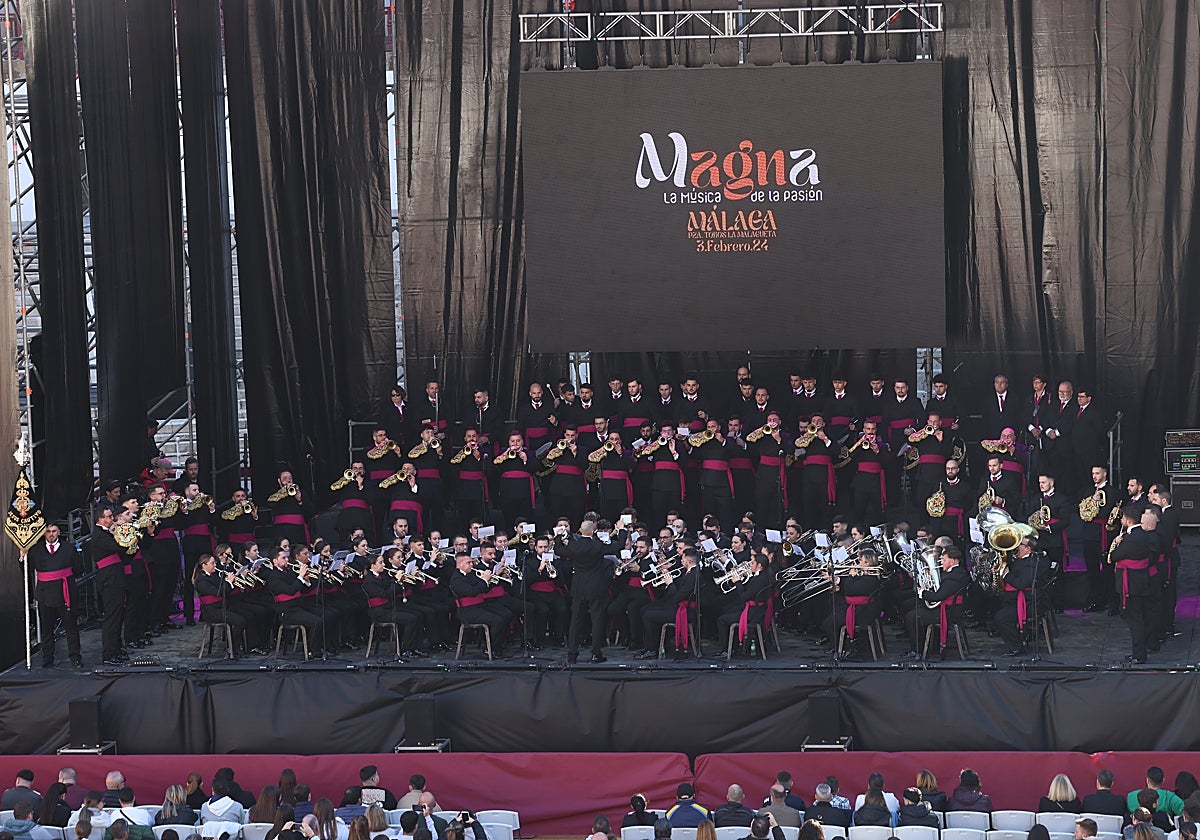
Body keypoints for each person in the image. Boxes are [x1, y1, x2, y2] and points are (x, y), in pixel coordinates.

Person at [30, 523, 83, 668]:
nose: (51, 534)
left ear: (59, 532)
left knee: (71, 627)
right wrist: (22, 557)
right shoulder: (36, 550)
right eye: (48, 532)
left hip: (65, 592)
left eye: (54, 531)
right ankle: (47, 659)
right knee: (47, 629)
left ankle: (75, 657)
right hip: (45, 593)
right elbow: (27, 569)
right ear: (44, 533)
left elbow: (78, 569)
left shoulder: (69, 548)